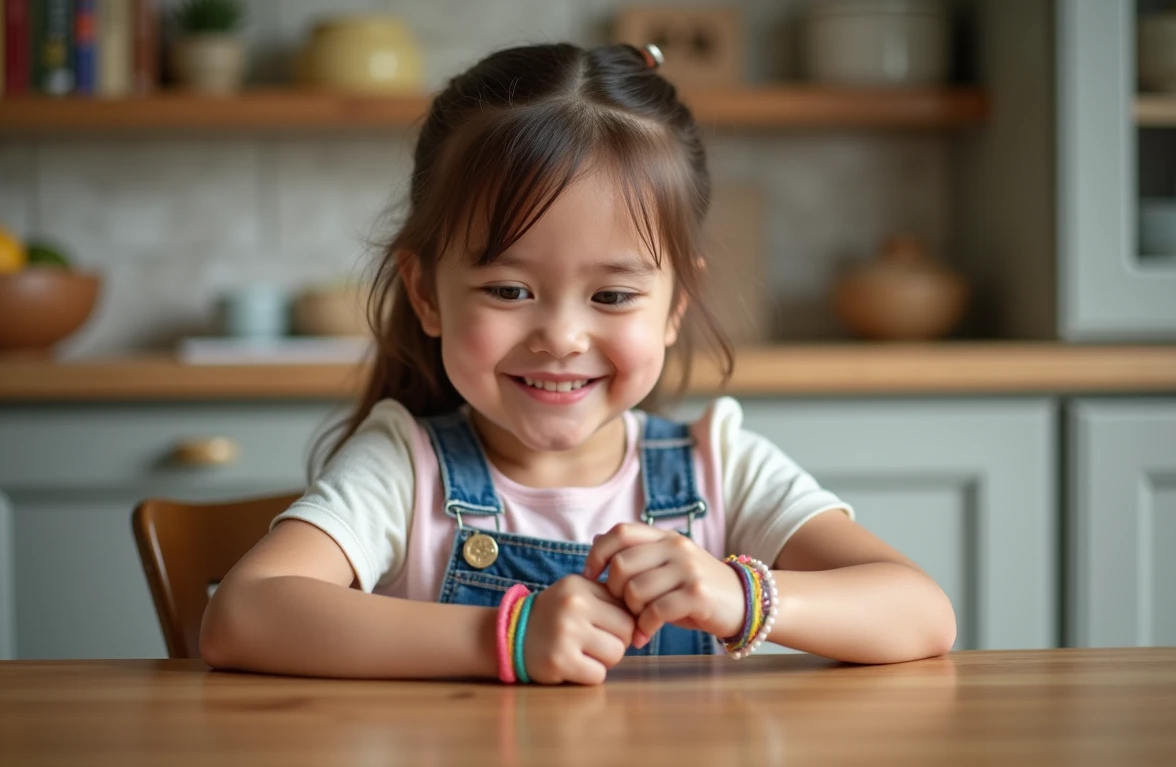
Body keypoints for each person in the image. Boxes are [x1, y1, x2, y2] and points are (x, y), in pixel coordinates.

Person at [199, 42, 956, 685]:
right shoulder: (405, 467)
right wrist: (507, 639)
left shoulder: (721, 468)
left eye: (614, 294)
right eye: (508, 289)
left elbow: (921, 612)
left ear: (675, 305)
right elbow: (241, 615)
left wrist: (741, 596)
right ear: (427, 294)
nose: (561, 336)